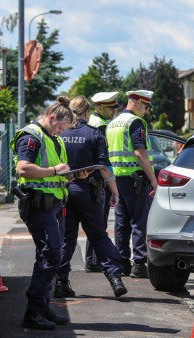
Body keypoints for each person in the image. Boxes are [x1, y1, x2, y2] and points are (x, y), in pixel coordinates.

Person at [11, 96, 74, 330]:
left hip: (54, 204)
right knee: (51, 255)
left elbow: (56, 171)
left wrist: (72, 174)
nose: (61, 132)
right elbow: (24, 168)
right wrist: (54, 170)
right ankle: (34, 312)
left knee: (50, 256)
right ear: (51, 117)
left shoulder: (51, 137)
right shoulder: (31, 136)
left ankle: (42, 307)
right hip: (39, 205)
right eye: (60, 127)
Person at [56, 95, 128, 298]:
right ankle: (115, 278)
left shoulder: (60, 133)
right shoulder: (94, 134)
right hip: (89, 193)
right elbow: (104, 168)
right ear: (87, 112)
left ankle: (60, 283)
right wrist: (114, 191)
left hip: (63, 193)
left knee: (67, 238)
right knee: (98, 235)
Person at [107, 90, 158, 278]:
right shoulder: (135, 123)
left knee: (121, 224)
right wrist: (153, 179)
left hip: (116, 180)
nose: (145, 110)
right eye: (145, 106)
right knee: (139, 222)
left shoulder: (113, 123)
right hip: (134, 179)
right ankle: (139, 263)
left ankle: (122, 263)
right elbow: (139, 153)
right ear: (137, 103)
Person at [84, 91, 120, 272]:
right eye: (110, 107)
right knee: (98, 222)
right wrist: (111, 182)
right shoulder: (100, 126)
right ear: (99, 107)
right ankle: (93, 261)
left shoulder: (96, 122)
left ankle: (93, 259)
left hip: (91, 179)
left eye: (114, 107)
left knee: (96, 221)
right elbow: (103, 159)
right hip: (99, 179)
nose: (114, 111)